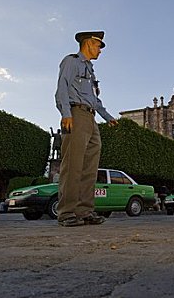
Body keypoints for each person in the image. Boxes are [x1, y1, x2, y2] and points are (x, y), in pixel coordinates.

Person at [55, 31, 118, 227]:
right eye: (99, 46)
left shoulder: (90, 71)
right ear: (89, 43)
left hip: (91, 118)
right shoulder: (72, 61)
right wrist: (66, 113)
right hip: (76, 115)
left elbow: (95, 100)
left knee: (90, 167)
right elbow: (62, 88)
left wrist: (107, 117)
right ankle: (66, 212)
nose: (100, 50)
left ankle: (84, 211)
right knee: (73, 165)